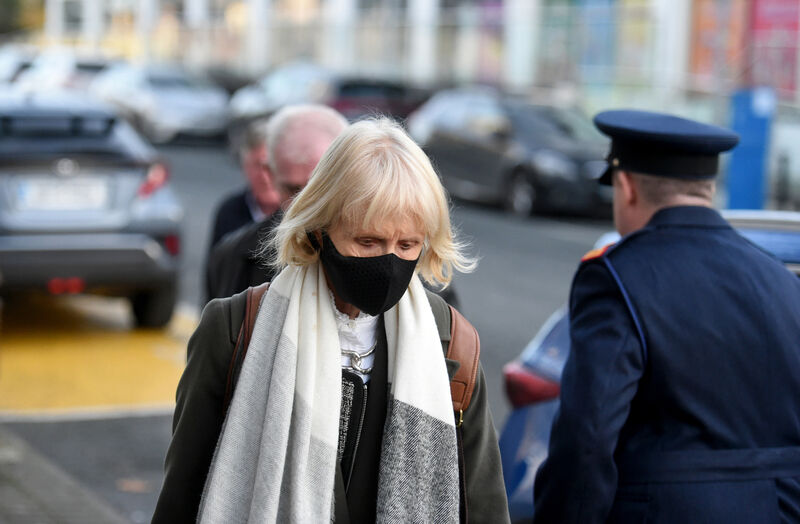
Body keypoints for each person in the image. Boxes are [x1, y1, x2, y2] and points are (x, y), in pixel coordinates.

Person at [153, 117, 509, 523]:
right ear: (318, 229)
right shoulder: (234, 330)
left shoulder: (451, 341)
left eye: (408, 244)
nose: (388, 261)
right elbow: (182, 494)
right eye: (367, 241)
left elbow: (485, 505)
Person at [533, 110, 800, 523]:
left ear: (626, 186)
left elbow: (587, 438)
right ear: (707, 189)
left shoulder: (617, 276)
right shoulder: (780, 279)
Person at [205, 104, 348, 301]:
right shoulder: (231, 259)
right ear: (270, 173)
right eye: (293, 190)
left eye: (317, 190)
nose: (305, 205)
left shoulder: (384, 253)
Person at [207, 118, 279, 251]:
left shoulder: (301, 216)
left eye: (271, 166)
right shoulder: (229, 211)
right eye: (258, 165)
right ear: (245, 166)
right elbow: (214, 267)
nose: (264, 176)